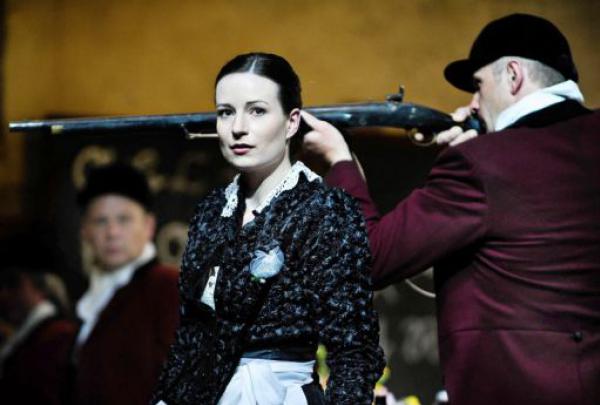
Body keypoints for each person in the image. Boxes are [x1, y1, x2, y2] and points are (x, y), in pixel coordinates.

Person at [302, 13, 600, 405]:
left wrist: (339, 162)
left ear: (513, 76)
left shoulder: (483, 162)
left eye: (478, 86)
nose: (472, 104)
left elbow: (367, 259)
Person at [152, 52, 384, 405]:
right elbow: (191, 334)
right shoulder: (213, 210)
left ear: (292, 122)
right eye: (225, 112)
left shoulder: (324, 209)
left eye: (257, 111)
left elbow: (354, 350)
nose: (237, 127)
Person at [72, 163, 180, 405]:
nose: (112, 232)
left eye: (124, 219)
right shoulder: (91, 297)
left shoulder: (167, 287)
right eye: (100, 221)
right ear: (85, 231)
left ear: (149, 226)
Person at [0, 266, 77, 405]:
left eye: (13, 284)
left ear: (39, 288)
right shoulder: (25, 335)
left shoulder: (58, 335)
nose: (4, 295)